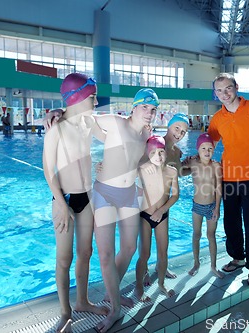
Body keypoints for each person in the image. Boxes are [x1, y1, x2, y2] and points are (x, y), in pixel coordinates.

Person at [42, 73, 108, 333]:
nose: (96, 100)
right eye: (92, 96)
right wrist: (59, 202)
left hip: (87, 196)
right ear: (78, 97)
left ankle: (81, 301)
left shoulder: (87, 122)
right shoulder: (56, 128)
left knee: (86, 253)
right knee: (64, 258)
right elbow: (48, 169)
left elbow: (110, 135)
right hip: (65, 198)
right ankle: (65, 312)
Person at [92, 88, 158, 333]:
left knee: (129, 248)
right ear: (134, 107)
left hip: (129, 193)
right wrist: (60, 112)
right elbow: (85, 120)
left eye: (153, 110)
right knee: (106, 254)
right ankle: (116, 308)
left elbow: (136, 159)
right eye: (145, 107)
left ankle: (112, 295)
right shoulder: (116, 121)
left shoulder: (145, 134)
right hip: (105, 194)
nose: (149, 113)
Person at [208, 72, 249, 288]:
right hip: (228, 177)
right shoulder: (218, 118)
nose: (224, 94)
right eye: (219, 90)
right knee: (231, 222)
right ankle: (238, 258)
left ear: (236, 87)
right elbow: (209, 144)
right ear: (215, 94)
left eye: (228, 88)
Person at [141, 113, 189, 283]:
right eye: (177, 128)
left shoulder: (177, 152)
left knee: (163, 244)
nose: (179, 133)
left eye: (183, 132)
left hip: (164, 205)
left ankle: (161, 267)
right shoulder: (152, 143)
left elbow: (177, 175)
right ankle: (144, 270)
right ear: (169, 126)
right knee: (144, 247)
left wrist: (193, 166)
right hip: (146, 207)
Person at [135, 135, 179, 301]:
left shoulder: (172, 172)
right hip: (144, 216)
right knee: (144, 254)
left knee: (163, 251)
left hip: (162, 215)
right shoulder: (143, 168)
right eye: (153, 152)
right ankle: (139, 287)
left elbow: (175, 195)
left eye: (161, 152)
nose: (158, 156)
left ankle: (161, 284)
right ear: (148, 154)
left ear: (166, 153)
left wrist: (162, 210)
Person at [181, 133, 223, 278]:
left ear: (213, 150)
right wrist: (183, 161)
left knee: (211, 236)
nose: (207, 151)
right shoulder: (193, 163)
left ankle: (213, 266)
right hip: (197, 206)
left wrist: (217, 208)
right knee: (196, 235)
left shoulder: (216, 166)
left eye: (210, 148)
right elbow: (179, 172)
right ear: (198, 150)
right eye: (203, 148)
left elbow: (219, 188)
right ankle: (196, 263)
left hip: (211, 206)